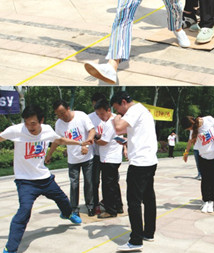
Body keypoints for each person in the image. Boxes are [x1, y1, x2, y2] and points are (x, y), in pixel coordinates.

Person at [0, 105, 84, 253]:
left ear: (41, 121)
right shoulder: (16, 130)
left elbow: (60, 140)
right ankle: (11, 248)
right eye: (26, 123)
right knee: (24, 211)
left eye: (33, 123)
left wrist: (80, 143)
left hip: (44, 178)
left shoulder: (47, 130)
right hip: (25, 181)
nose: (29, 127)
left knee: (63, 199)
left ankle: (67, 214)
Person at [110, 91, 157, 252]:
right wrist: (126, 141)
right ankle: (148, 232)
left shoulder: (134, 110)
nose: (118, 113)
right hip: (149, 161)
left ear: (123, 102)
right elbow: (138, 135)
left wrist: (116, 117)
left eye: (118, 109)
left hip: (139, 164)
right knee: (148, 198)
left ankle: (136, 240)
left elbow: (118, 128)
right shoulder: (142, 110)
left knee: (134, 201)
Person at [45, 100, 96, 217]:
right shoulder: (59, 124)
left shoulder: (81, 116)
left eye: (62, 113)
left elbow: (92, 131)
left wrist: (87, 145)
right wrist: (49, 154)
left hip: (87, 157)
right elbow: (57, 140)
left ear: (68, 108)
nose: (61, 116)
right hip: (73, 159)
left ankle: (90, 206)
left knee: (89, 183)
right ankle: (74, 209)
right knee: (74, 184)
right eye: (58, 115)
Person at [93, 98, 125, 219]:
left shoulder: (110, 123)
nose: (101, 117)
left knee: (108, 186)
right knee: (114, 184)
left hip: (109, 159)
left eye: (102, 114)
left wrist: (95, 139)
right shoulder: (115, 121)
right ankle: (118, 206)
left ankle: (110, 210)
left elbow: (104, 142)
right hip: (114, 158)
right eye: (98, 114)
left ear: (108, 110)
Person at [182, 114, 214, 212]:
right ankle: (205, 200)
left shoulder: (209, 120)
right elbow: (190, 141)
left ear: (192, 123)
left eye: (189, 128)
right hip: (203, 156)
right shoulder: (193, 130)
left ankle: (212, 200)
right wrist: (186, 153)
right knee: (205, 180)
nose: (190, 130)